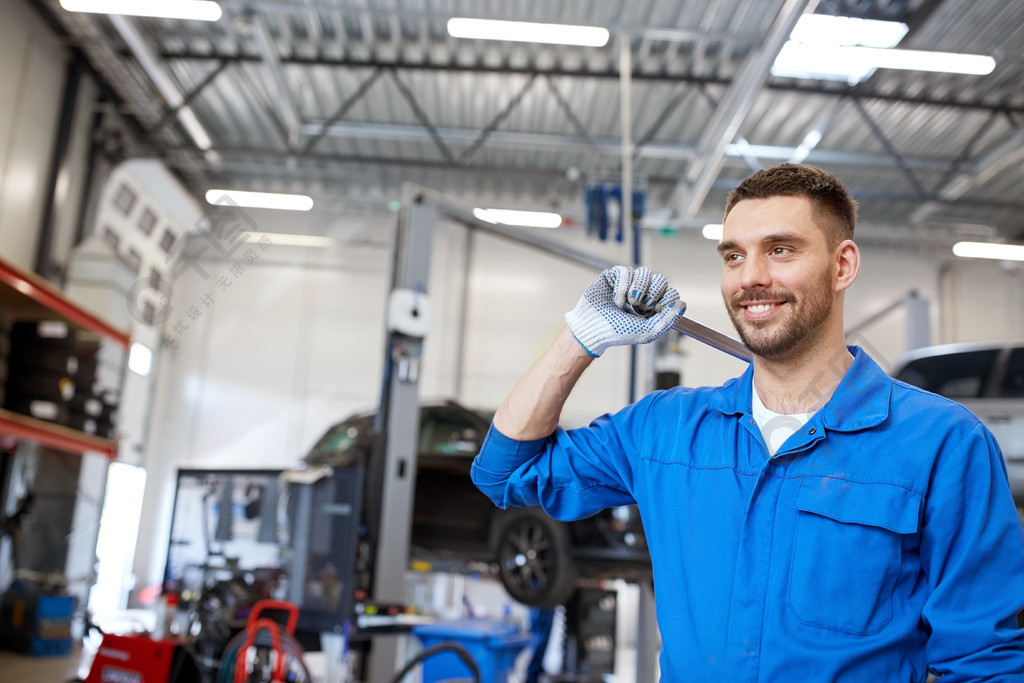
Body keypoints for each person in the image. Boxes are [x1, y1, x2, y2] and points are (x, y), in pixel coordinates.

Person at [471, 163, 1024, 681]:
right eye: (733, 256)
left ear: (843, 265)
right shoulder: (666, 430)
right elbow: (506, 474)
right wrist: (580, 338)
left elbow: (986, 660)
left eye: (780, 250)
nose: (751, 278)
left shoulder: (942, 444)